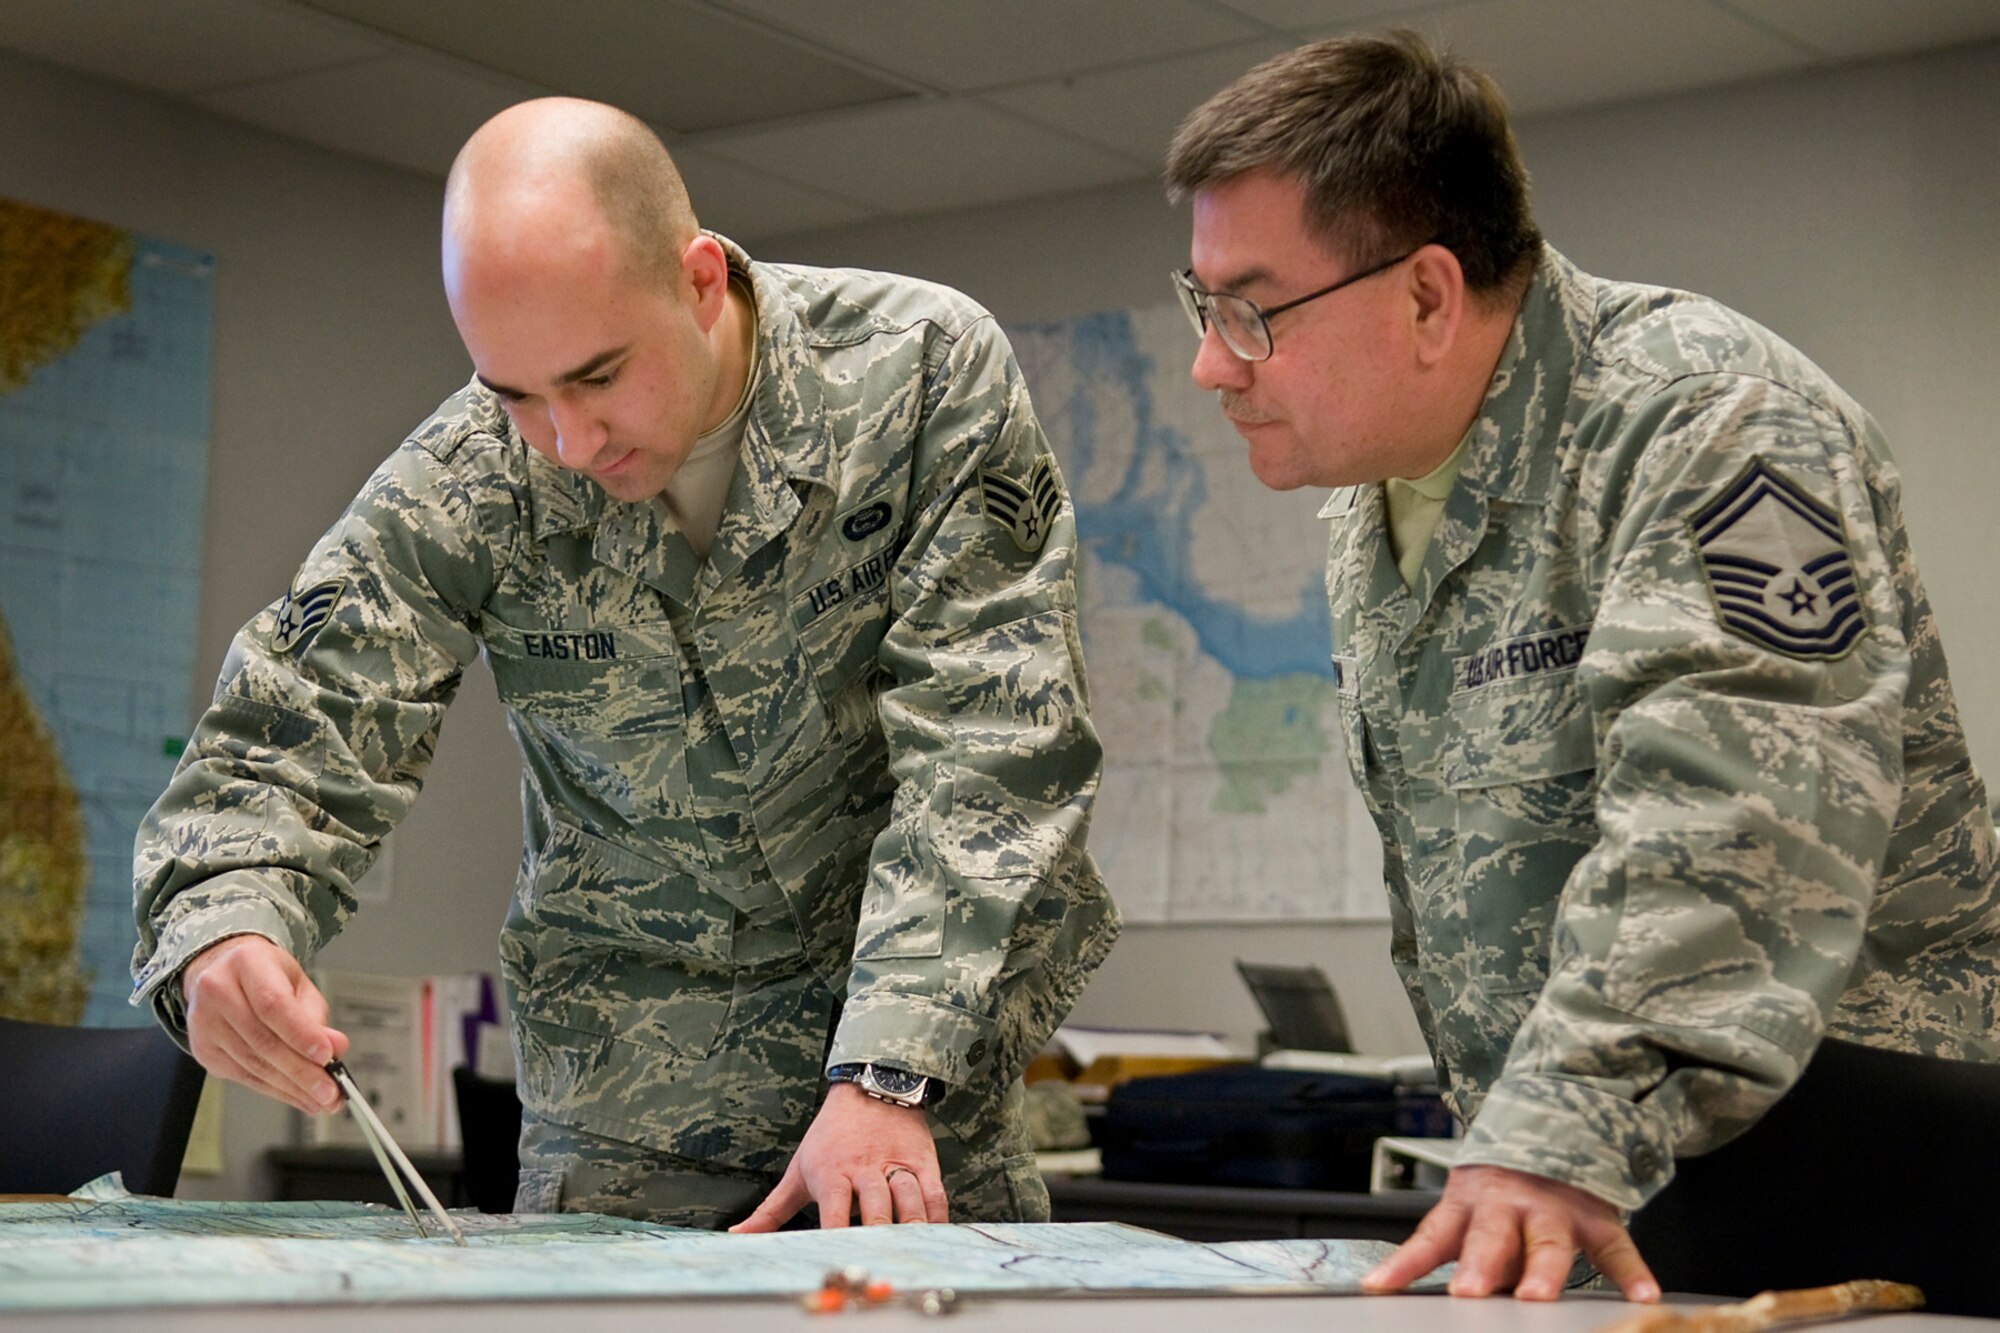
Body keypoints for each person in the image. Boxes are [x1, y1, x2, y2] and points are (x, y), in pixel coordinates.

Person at [130, 97, 1117, 1231]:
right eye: (516, 393)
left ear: (699, 280)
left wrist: (888, 1071)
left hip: (922, 1112)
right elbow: (291, 729)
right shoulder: (472, 475)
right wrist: (225, 925)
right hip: (631, 1121)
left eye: (598, 376)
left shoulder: (916, 377)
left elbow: (993, 749)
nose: (568, 441)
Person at [1164, 32, 1999, 1303]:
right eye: (1202, 306)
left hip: (1845, 1151)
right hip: (1602, 1173)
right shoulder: (1372, 511)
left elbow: (1734, 820)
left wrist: (1556, 1132)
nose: (1210, 363)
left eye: (1250, 313)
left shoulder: (1706, 419)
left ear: (1427, 296)